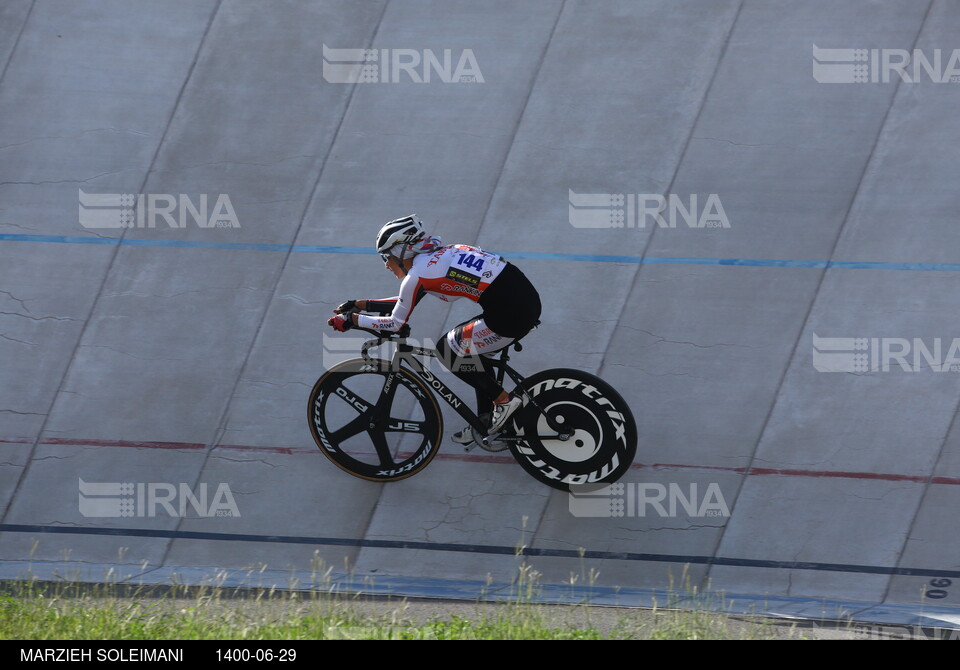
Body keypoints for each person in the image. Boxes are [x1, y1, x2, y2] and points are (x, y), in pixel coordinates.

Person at [327, 215, 541, 441]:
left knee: (447, 350)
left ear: (401, 251)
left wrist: (352, 320)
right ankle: (487, 419)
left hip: (509, 312)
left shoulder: (419, 274)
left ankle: (505, 402)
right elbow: (404, 301)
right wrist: (360, 305)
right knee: (469, 349)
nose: (386, 264)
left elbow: (394, 323)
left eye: (386, 256)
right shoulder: (436, 257)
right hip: (522, 302)